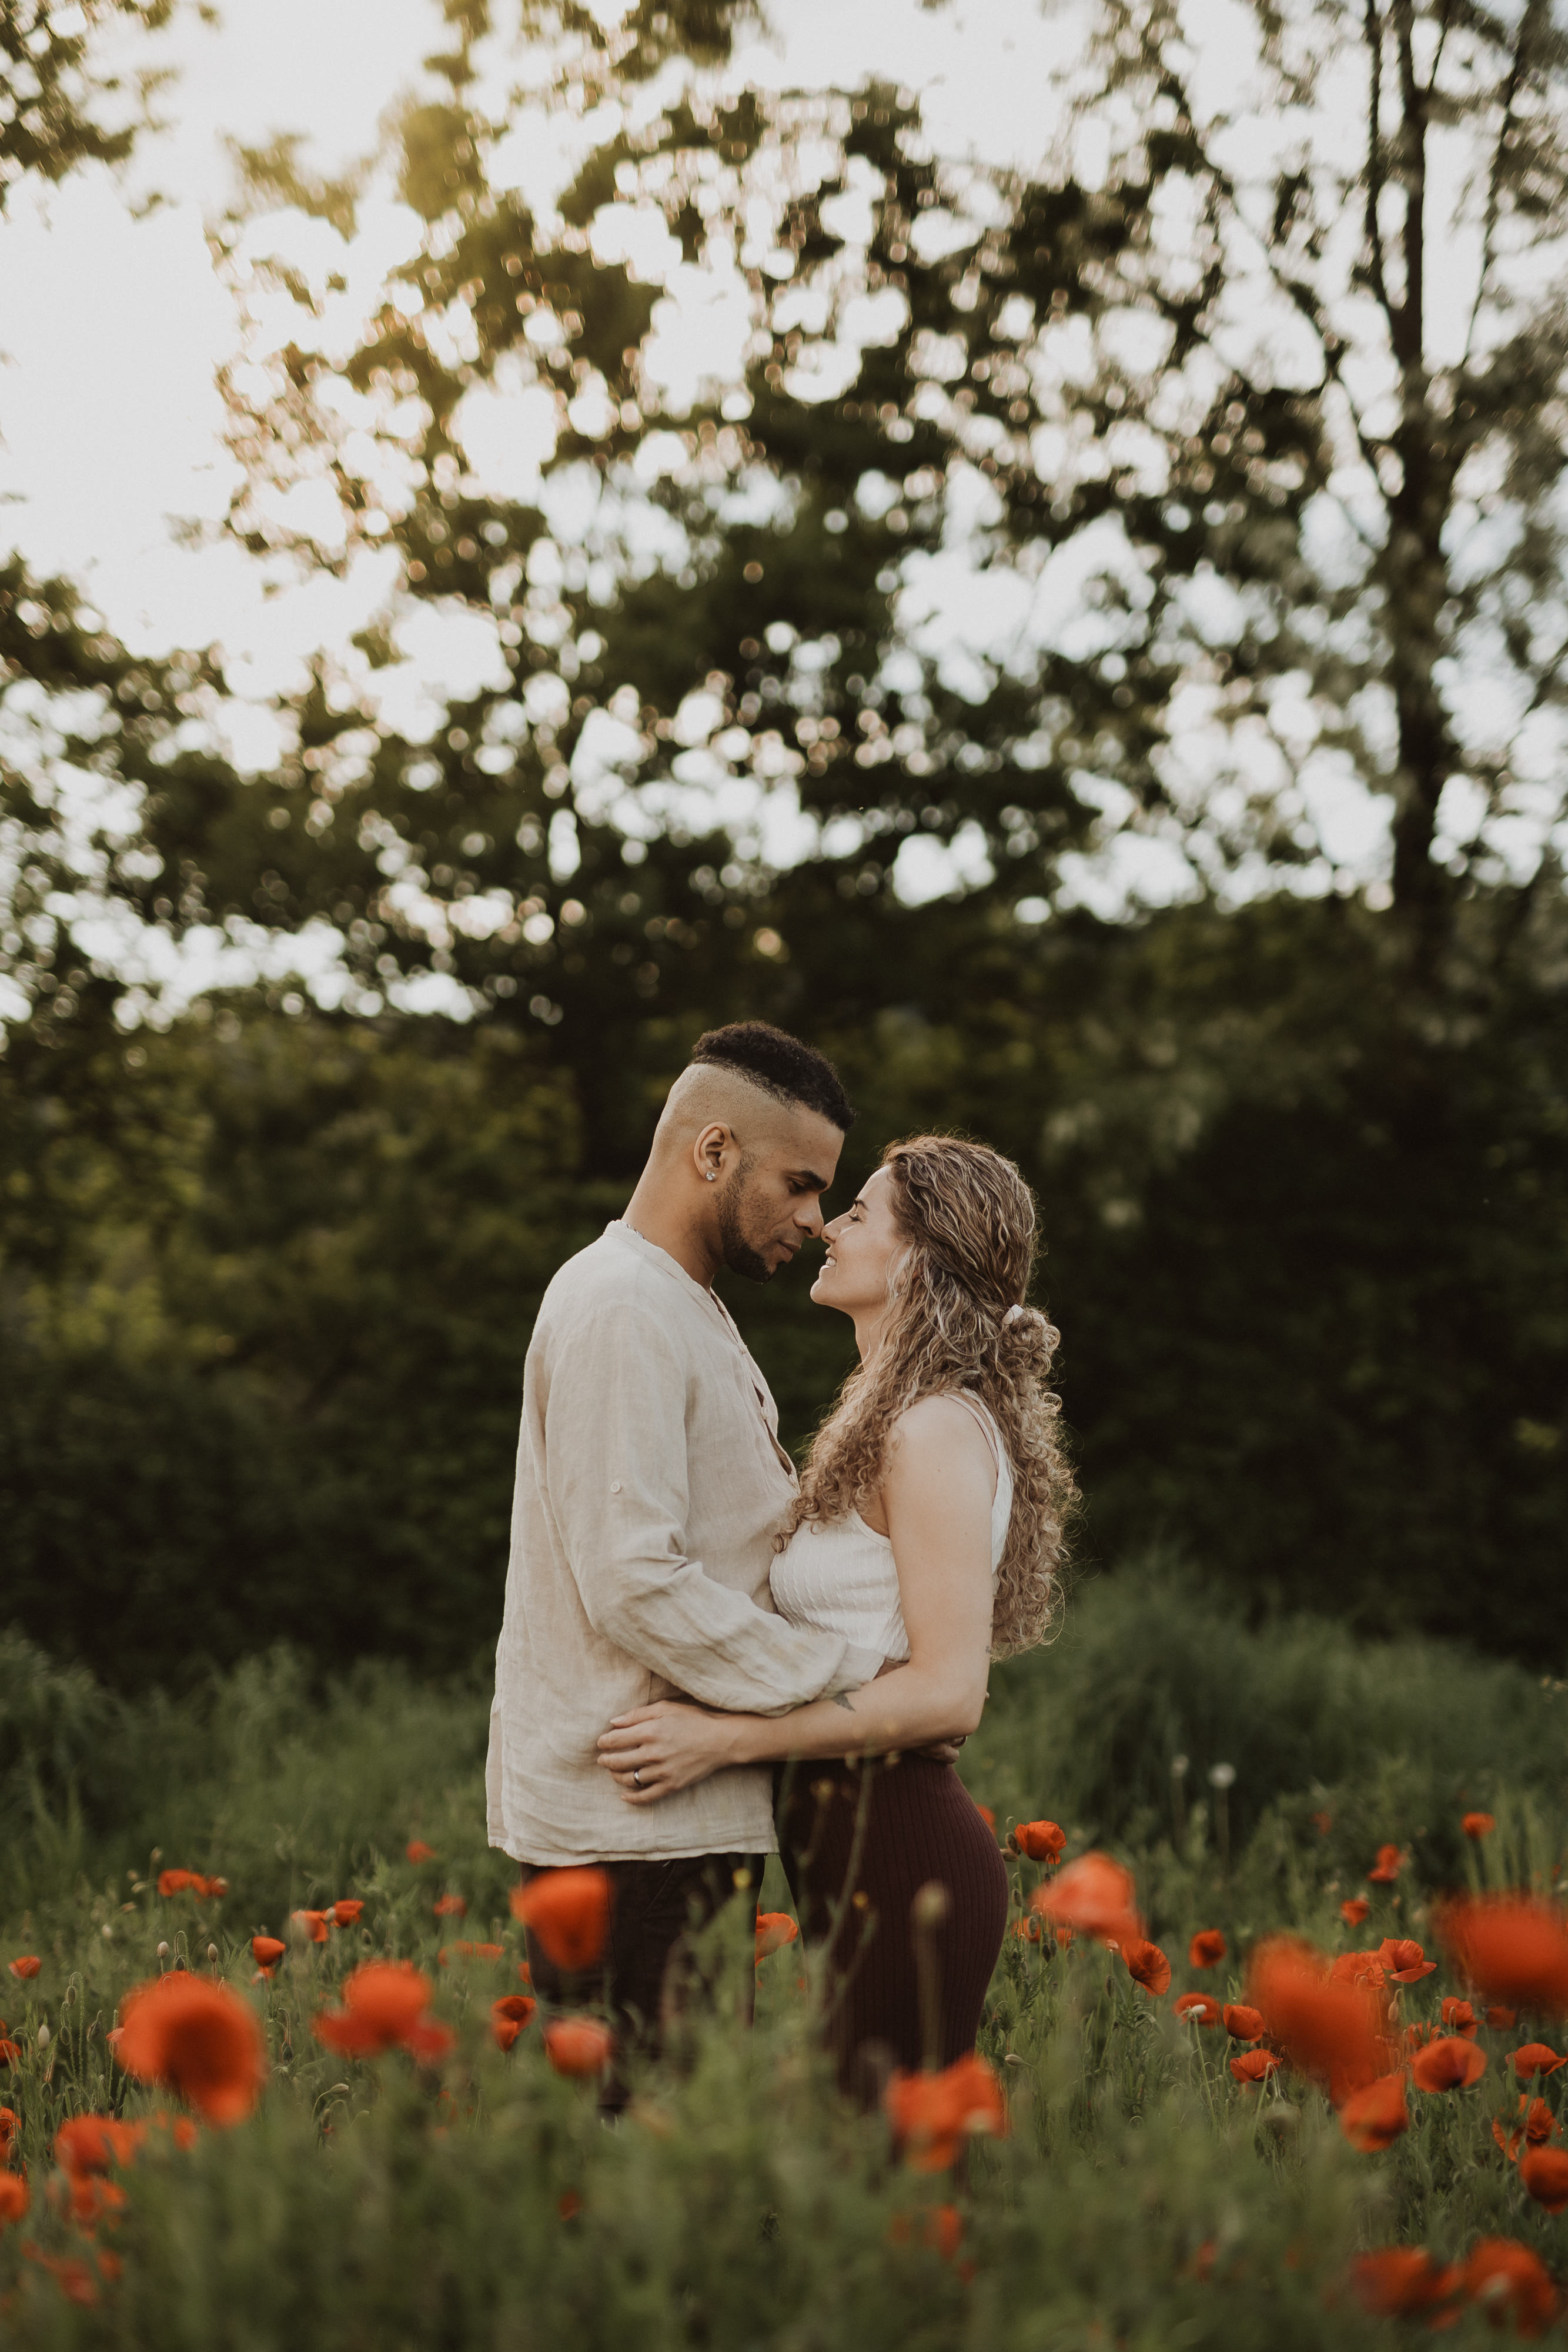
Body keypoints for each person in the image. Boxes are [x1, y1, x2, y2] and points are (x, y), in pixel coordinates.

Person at [597, 1135, 1075, 2099]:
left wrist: (724, 1739)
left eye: (859, 1213)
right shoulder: (890, 1416)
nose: (829, 1227)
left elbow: (950, 1694)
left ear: (920, 1259)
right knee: (863, 2159)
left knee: (890, 2160)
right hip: (854, 1844)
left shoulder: (932, 1430)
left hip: (902, 1846)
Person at [486, 1021, 890, 2093]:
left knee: (675, 2139)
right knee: (648, 2146)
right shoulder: (622, 1304)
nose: (815, 1220)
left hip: (675, 1808)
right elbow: (635, 1577)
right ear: (714, 1151)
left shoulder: (678, 1298)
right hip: (632, 1824)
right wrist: (844, 1679)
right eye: (801, 1185)